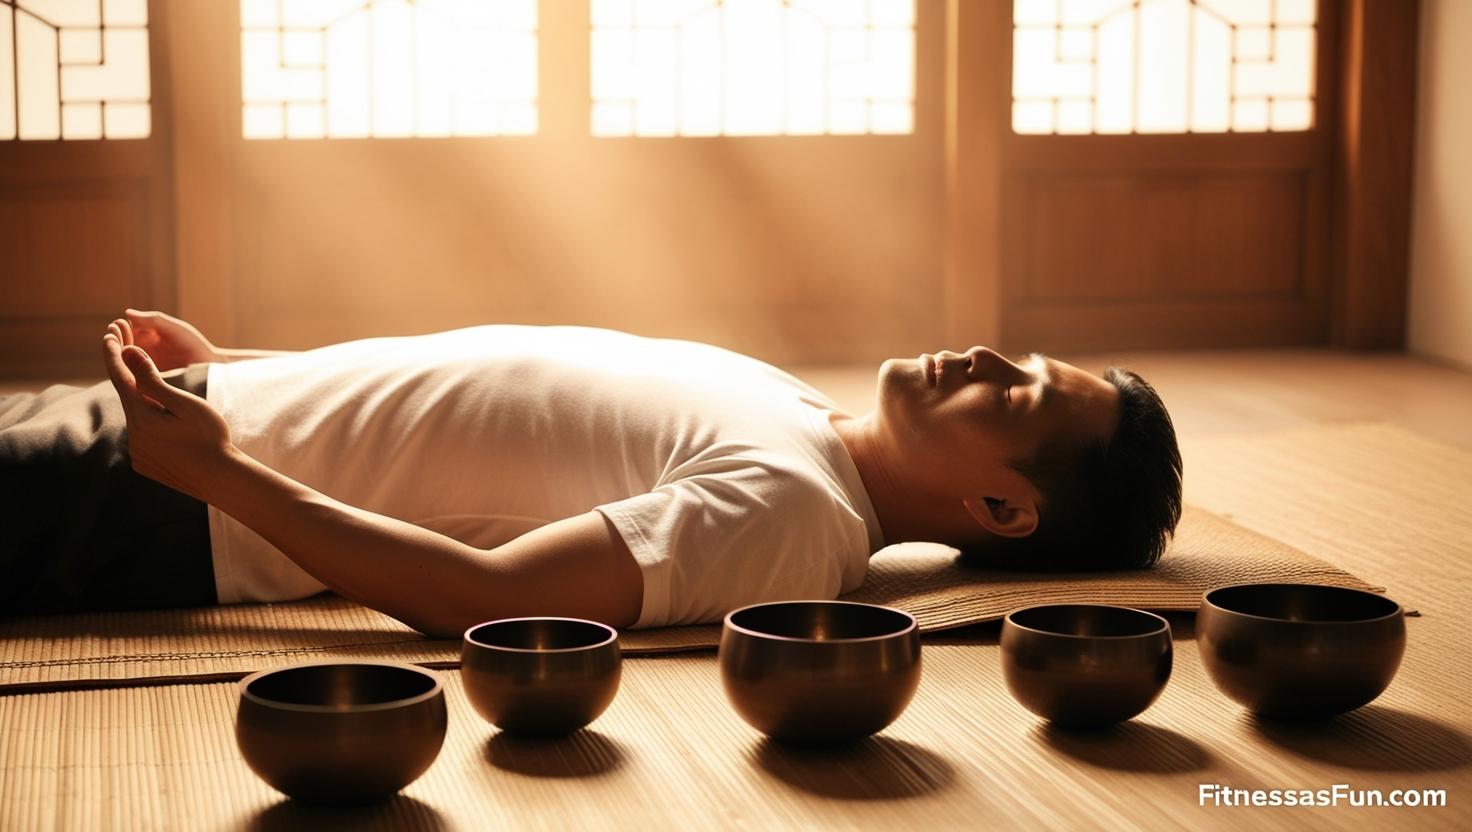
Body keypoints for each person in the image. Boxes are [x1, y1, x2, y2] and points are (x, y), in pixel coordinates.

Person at [0, 310, 1182, 637]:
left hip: (168, 499)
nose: (981, 357)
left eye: (1013, 393)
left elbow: (492, 598)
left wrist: (225, 477)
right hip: (190, 419)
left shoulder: (792, 517)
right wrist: (247, 370)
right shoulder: (793, 408)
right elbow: (478, 397)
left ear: (998, 507)